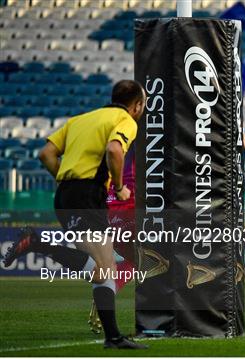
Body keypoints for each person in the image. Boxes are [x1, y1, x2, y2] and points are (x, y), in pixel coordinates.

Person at [3, 80, 148, 349]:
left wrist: (64, 179)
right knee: (102, 271)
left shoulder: (80, 119)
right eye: (142, 104)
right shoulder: (125, 120)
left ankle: (113, 337)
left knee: (106, 270)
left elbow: (46, 154)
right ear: (137, 105)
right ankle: (36, 243)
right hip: (87, 195)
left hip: (70, 194)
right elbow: (114, 150)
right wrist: (118, 187)